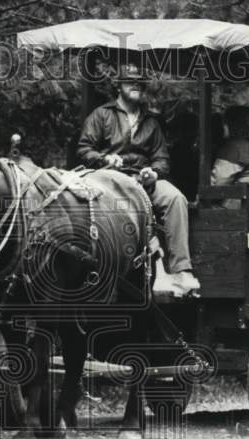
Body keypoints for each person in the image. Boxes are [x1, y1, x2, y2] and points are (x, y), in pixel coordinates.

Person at [77, 62, 200, 296]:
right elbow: (84, 149)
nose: (136, 86)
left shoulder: (151, 122)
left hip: (141, 181)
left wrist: (154, 172)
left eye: (140, 83)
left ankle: (181, 271)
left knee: (175, 198)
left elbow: (162, 159)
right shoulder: (102, 115)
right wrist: (104, 159)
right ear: (119, 86)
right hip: (108, 178)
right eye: (131, 81)